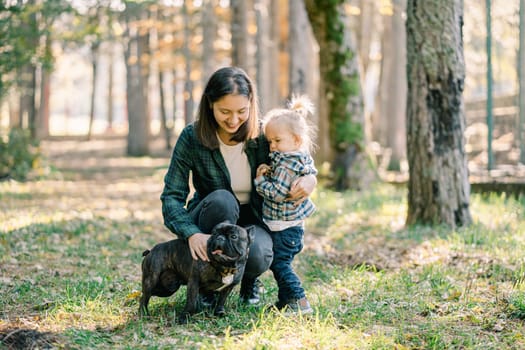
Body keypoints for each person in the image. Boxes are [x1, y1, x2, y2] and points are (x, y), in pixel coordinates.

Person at [160, 67, 317, 305]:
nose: (234, 120)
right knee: (223, 199)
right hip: (210, 215)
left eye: (242, 111)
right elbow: (171, 196)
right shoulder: (192, 138)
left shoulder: (266, 135)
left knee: (260, 253)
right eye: (225, 111)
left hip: (252, 220)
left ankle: (246, 280)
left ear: (251, 105)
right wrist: (191, 233)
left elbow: (297, 155)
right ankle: (206, 285)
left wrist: (310, 179)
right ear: (209, 105)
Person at [254, 95, 317, 314]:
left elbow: (278, 193)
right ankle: (285, 302)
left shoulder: (286, 166)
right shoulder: (298, 156)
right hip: (291, 226)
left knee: (280, 264)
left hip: (284, 228)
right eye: (270, 141)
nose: (272, 146)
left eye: (277, 141)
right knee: (280, 263)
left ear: (296, 140)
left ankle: (299, 301)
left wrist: (260, 181)